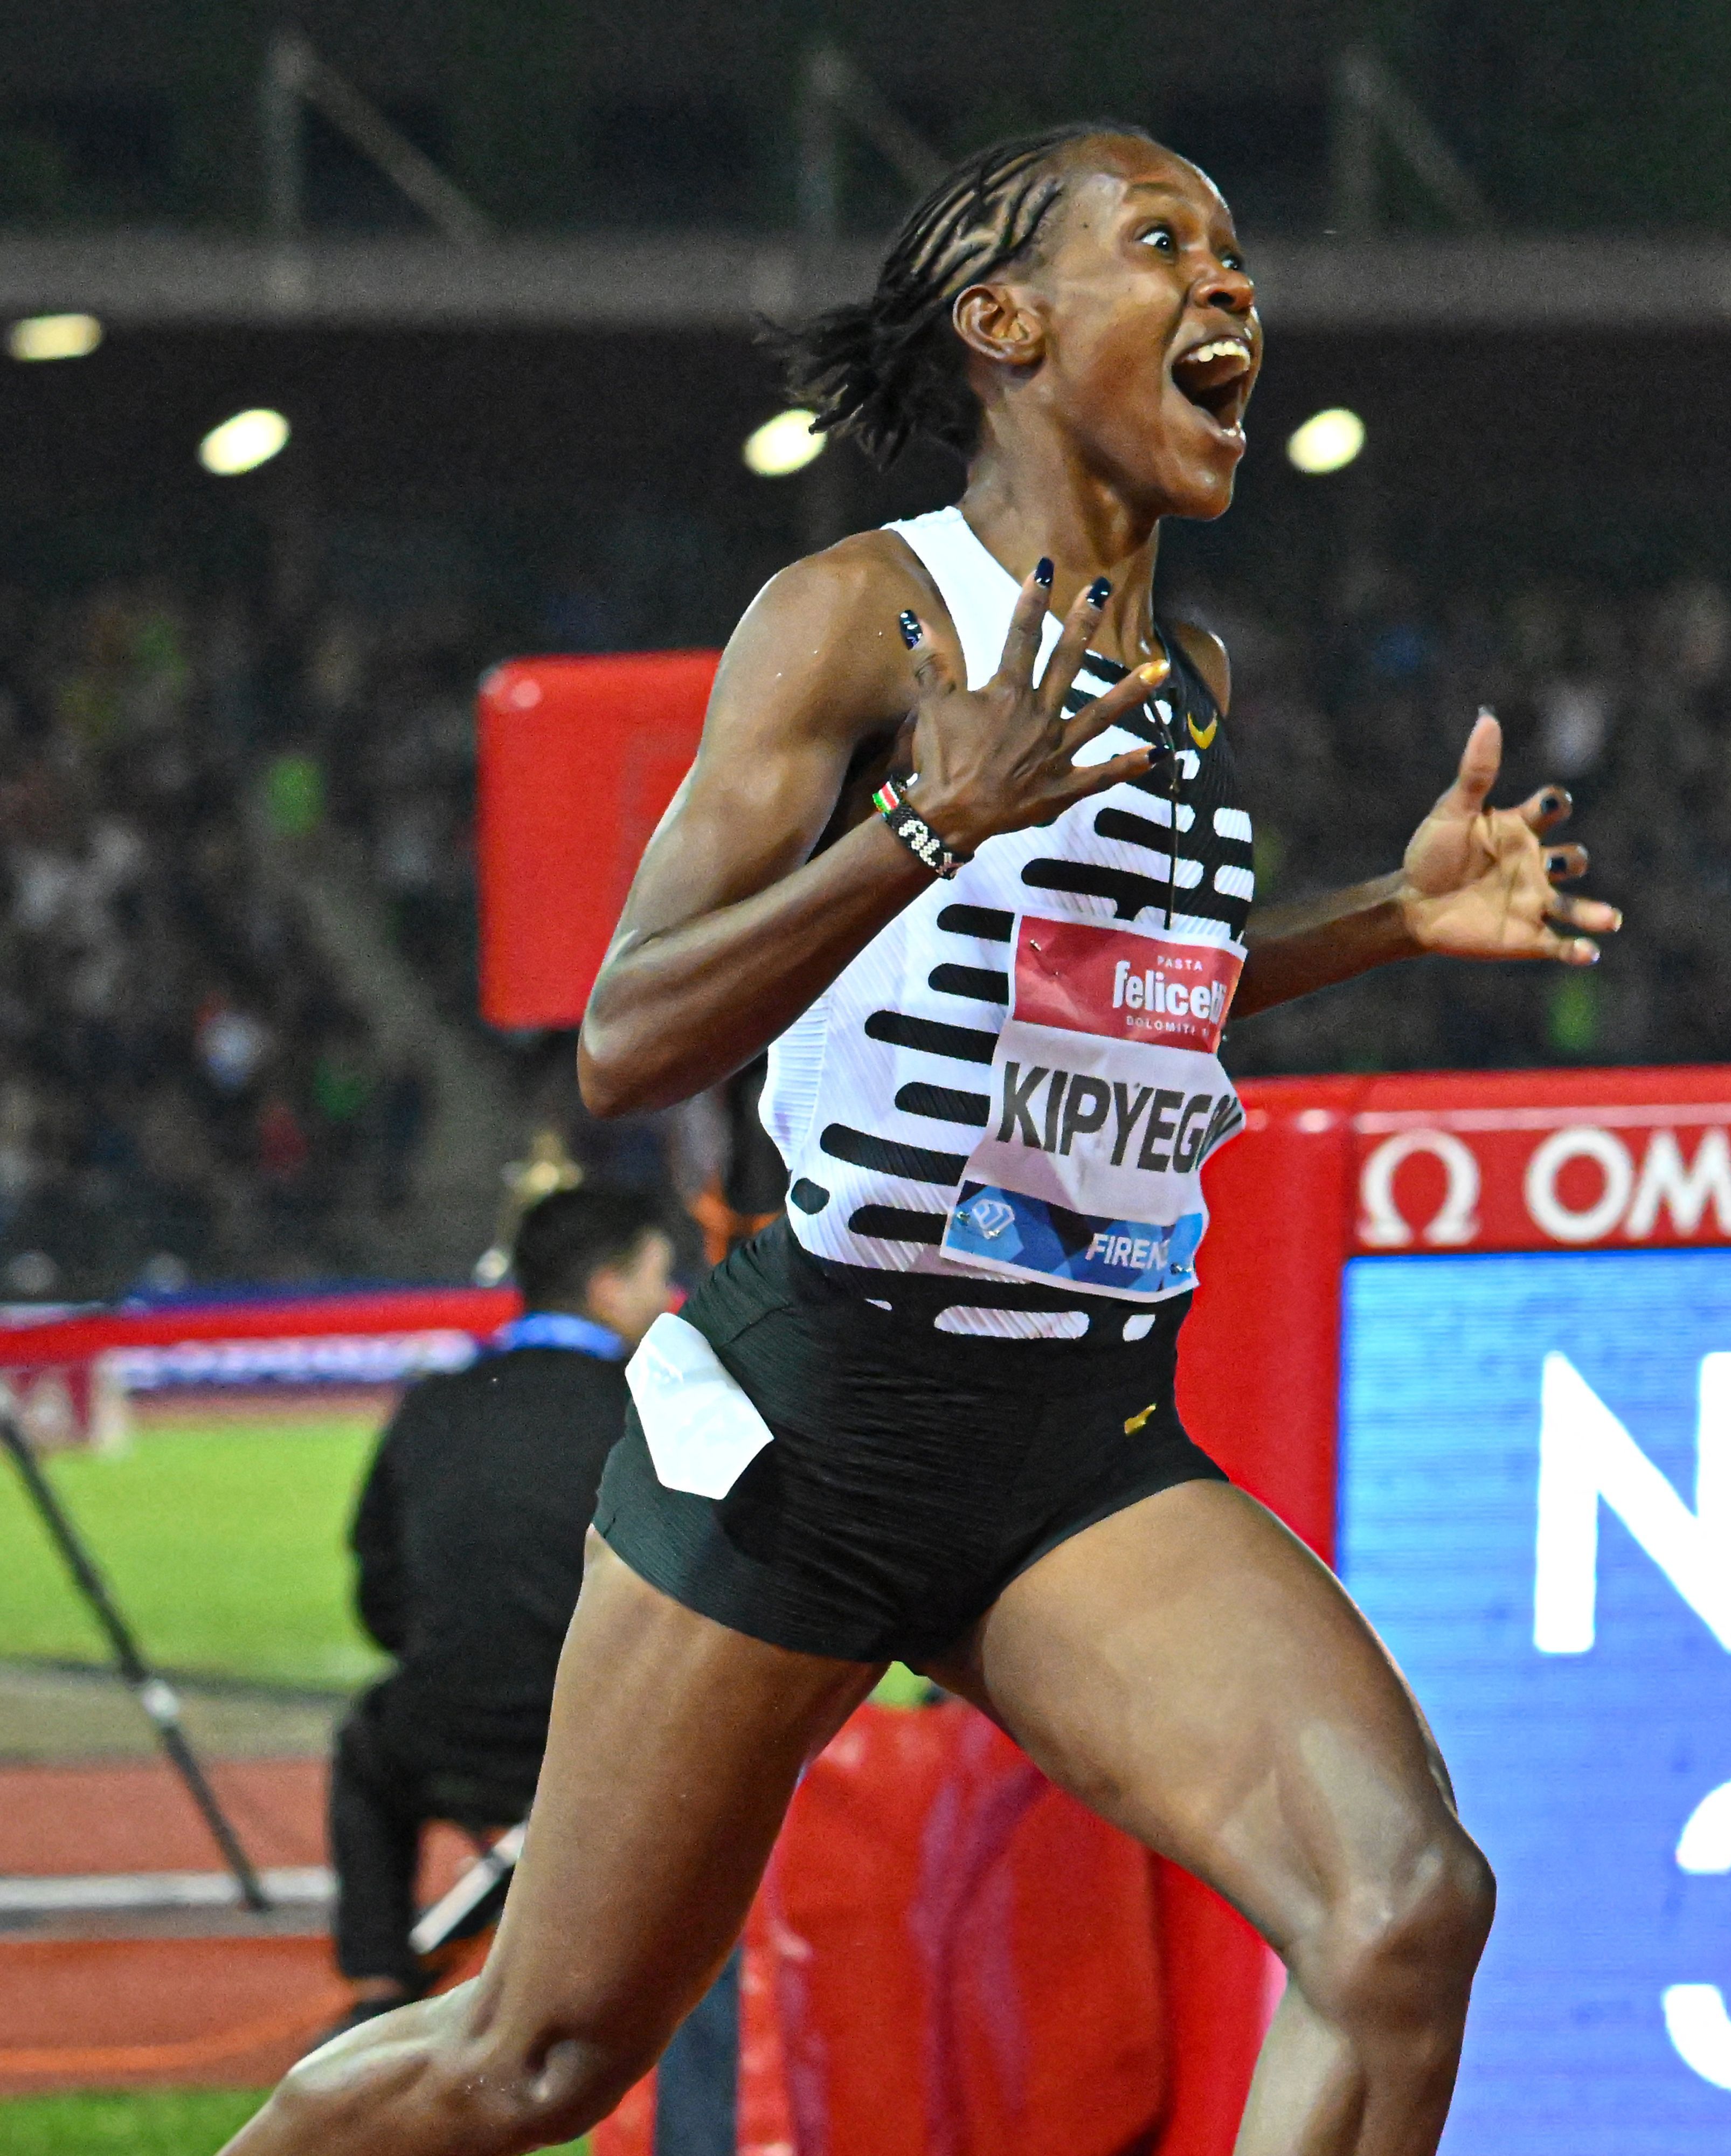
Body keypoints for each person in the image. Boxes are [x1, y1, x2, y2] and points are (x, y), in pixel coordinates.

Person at [230, 120, 1615, 2156]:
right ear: (1007, 324)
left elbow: (1121, 1006)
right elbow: (628, 1037)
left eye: (1239, 258)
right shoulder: (859, 617)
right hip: (822, 1419)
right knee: (533, 2061)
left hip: (1074, 1442)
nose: (1235, 288)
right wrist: (921, 826)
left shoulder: (1193, 674)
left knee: (1404, 1908)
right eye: (1169, 246)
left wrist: (1386, 924)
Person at [330, 1188, 677, 2024]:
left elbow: (377, 1588)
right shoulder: (654, 1402)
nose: (667, 1303)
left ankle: (377, 1983)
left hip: (444, 1728)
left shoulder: (433, 1402)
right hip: (603, 1745)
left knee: (366, 1749)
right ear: (606, 1287)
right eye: (656, 1280)